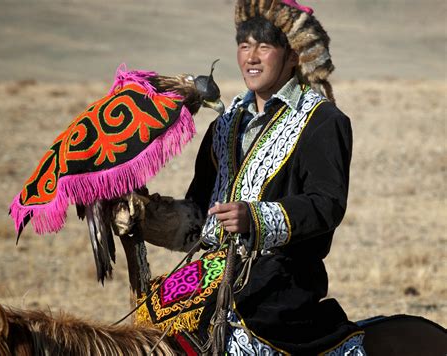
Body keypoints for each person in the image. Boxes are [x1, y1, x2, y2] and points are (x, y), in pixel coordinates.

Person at [113, 1, 366, 354]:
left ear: (292, 56)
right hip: (215, 271)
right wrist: (147, 218)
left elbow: (327, 205)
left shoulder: (323, 122)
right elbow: (200, 214)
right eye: (244, 45)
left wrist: (255, 217)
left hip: (284, 277)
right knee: (150, 320)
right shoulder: (224, 125)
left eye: (264, 46)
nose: (252, 57)